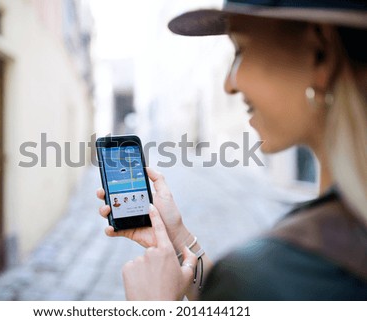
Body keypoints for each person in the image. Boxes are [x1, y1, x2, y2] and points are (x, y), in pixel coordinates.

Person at [97, 0, 367, 300]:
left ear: (320, 53)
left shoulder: (274, 273)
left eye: (240, 50)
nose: (229, 83)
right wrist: (178, 239)